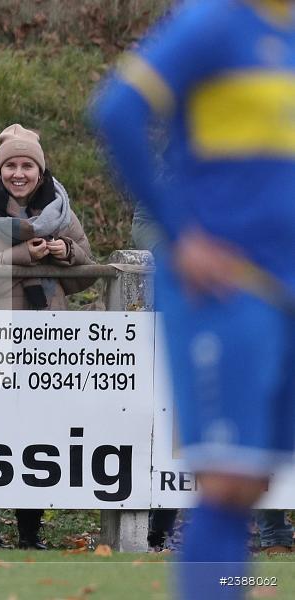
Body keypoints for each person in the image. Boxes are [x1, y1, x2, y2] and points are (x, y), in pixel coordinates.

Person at [92, 1, 295, 597]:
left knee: (252, 482)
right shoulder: (215, 21)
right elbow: (117, 111)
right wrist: (180, 233)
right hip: (225, 285)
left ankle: (226, 586)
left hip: (285, 293)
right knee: (228, 479)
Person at [0, 124, 96, 549]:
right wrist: (22, 257)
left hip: (44, 343)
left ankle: (31, 533)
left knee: (37, 435)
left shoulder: (59, 211)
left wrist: (65, 255)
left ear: (41, 169)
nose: (19, 173)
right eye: (11, 165)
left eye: (28, 165)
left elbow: (87, 271)